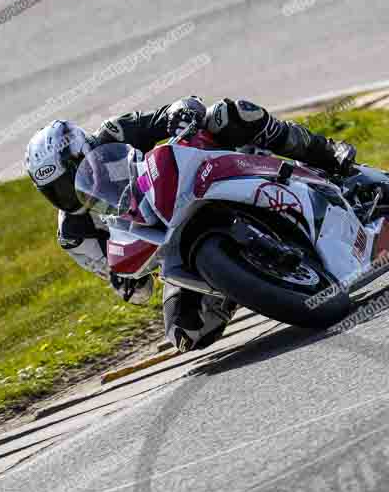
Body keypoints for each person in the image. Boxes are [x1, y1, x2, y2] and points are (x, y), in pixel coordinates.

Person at [24, 97, 356, 353]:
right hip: (170, 244)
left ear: (85, 151)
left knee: (229, 114)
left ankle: (324, 154)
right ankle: (240, 278)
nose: (68, 191)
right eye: (55, 190)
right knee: (186, 333)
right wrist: (126, 279)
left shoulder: (113, 133)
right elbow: (135, 290)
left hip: (189, 183)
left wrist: (180, 114)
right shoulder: (73, 234)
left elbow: (175, 110)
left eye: (69, 178)